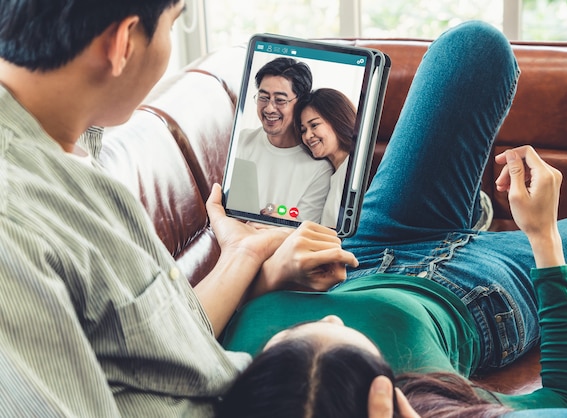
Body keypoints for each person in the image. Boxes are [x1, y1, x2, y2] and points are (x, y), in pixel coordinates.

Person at [217, 21, 567, 417]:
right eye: (351, 340)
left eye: (287, 338)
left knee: (475, 47)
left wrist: (257, 260)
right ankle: (472, 218)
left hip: (365, 249)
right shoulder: (433, 403)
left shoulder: (239, 379)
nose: (330, 314)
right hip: (482, 292)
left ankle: (469, 212)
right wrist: (543, 236)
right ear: (385, 400)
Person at [0, 1, 367, 416]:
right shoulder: (14, 221)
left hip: (241, 364)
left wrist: (246, 255)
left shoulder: (67, 135)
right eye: (172, 26)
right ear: (122, 43)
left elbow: (157, 341)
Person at [236, 57, 333, 223]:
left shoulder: (319, 168)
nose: (269, 108)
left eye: (280, 100)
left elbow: (303, 230)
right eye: (263, 97)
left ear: (301, 103)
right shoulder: (243, 141)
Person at [295, 88, 357, 227]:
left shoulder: (354, 169)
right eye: (303, 130)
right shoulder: (330, 175)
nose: (308, 136)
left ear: (337, 119)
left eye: (314, 125)